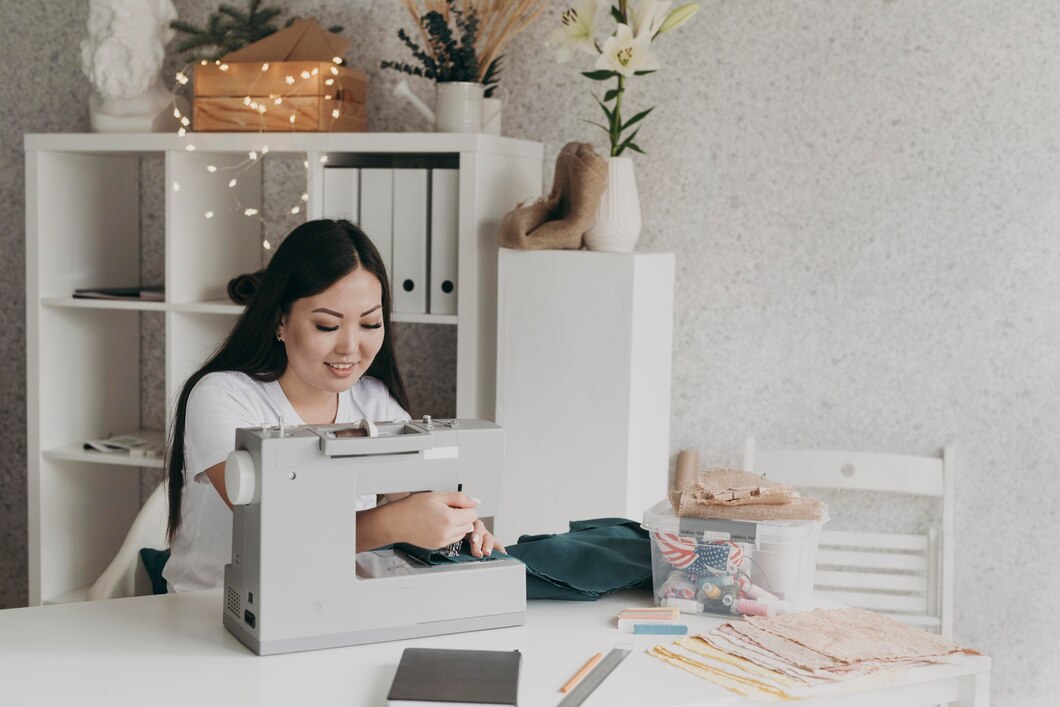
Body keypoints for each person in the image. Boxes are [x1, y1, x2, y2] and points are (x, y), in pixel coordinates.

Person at [162, 219, 501, 592]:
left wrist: (454, 526)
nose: (350, 348)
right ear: (280, 320)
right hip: (211, 609)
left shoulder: (373, 401)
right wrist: (395, 522)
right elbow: (273, 528)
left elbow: (419, 498)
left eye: (370, 323)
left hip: (328, 601)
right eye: (327, 326)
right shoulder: (222, 396)